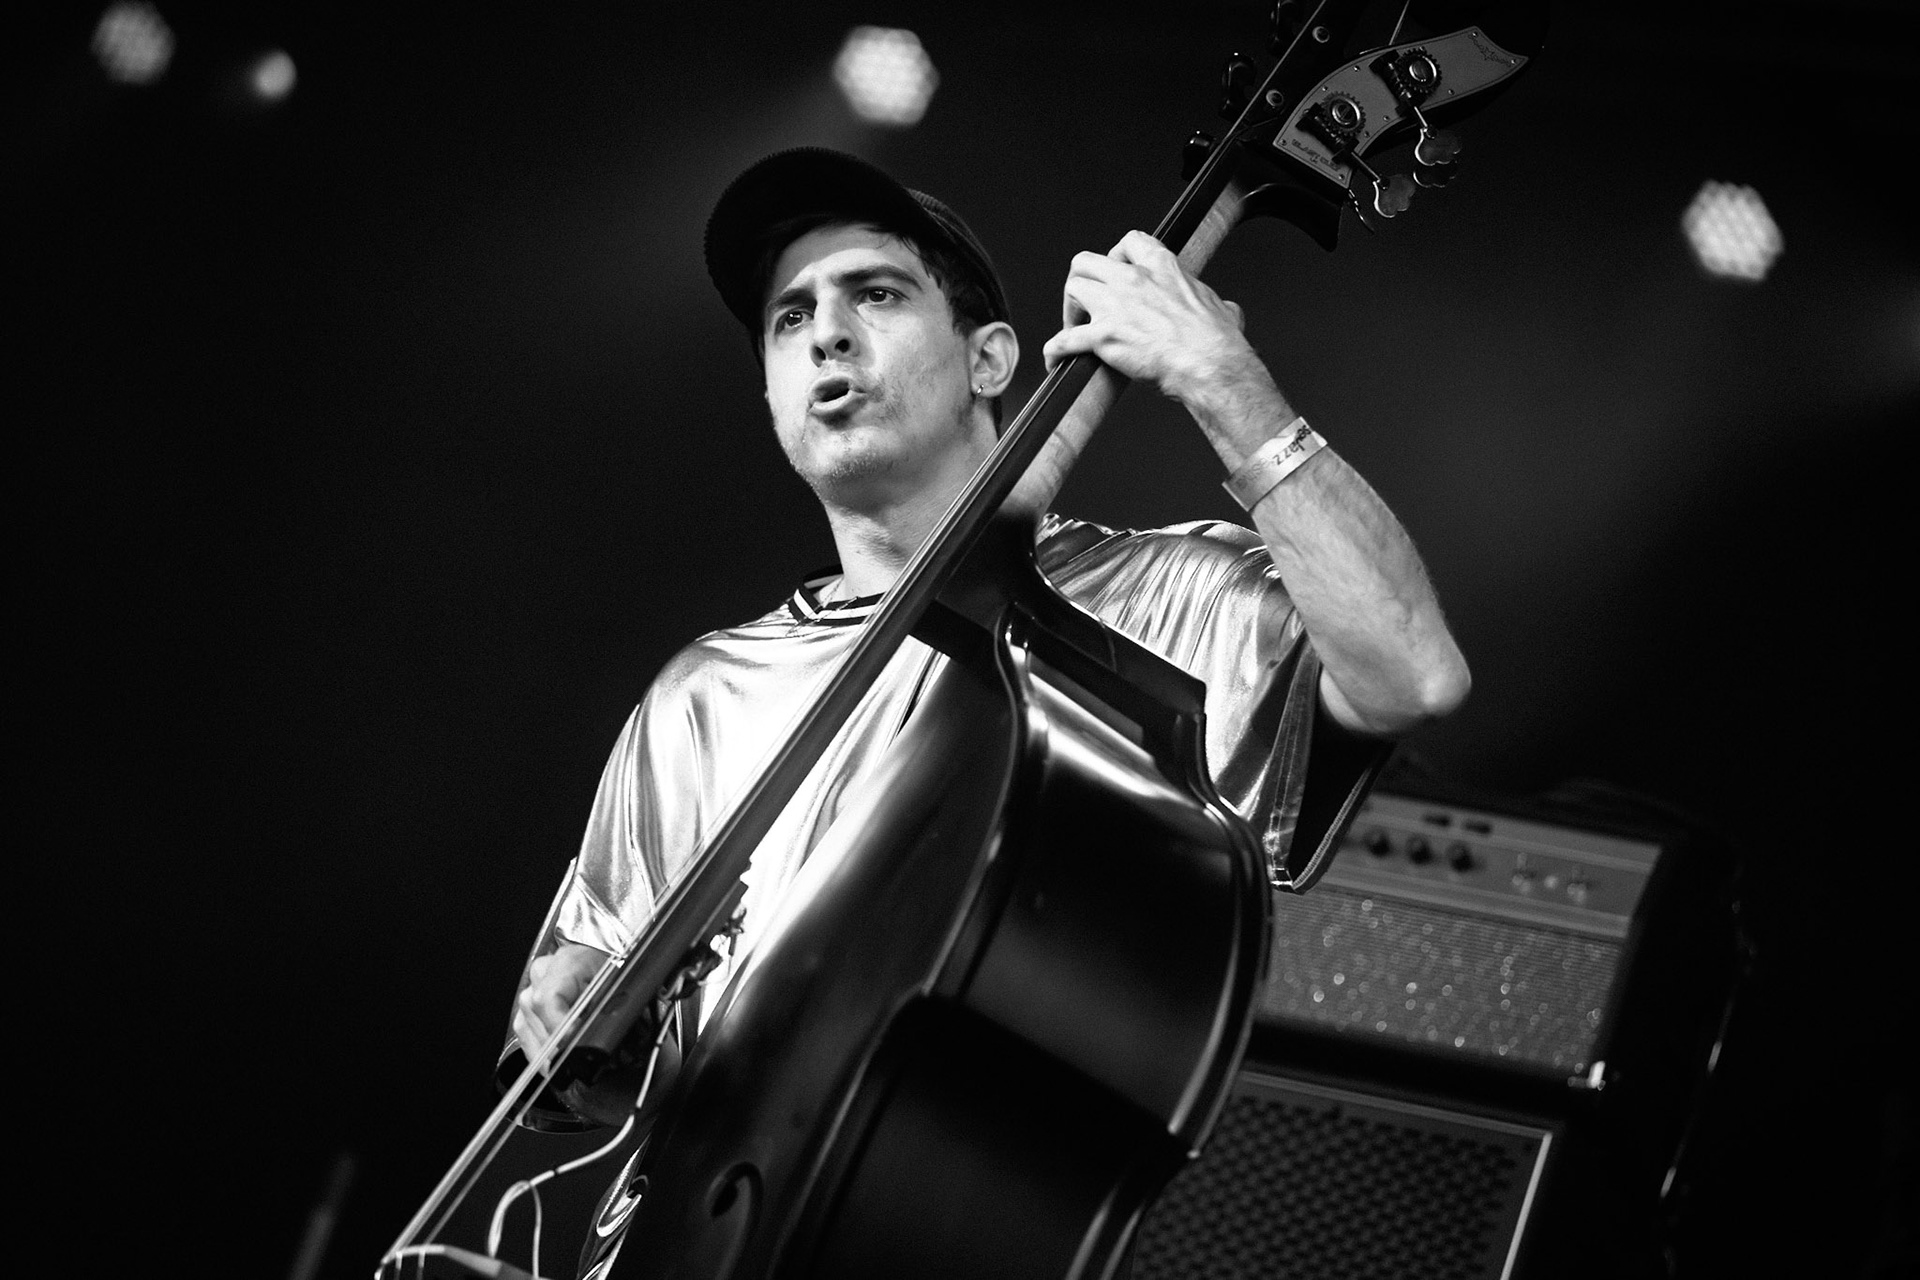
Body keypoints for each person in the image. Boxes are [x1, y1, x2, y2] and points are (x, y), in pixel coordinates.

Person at [504, 147, 1469, 1130]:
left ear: (991, 359)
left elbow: (1414, 672)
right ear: (770, 399)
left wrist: (1224, 380)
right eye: (789, 317)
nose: (826, 334)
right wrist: (576, 1019)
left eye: (873, 294)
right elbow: (586, 1081)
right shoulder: (700, 697)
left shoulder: (1172, 598)